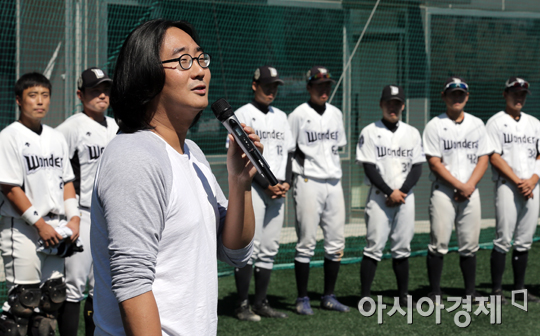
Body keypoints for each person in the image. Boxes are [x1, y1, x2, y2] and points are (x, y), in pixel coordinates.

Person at [90, 19, 257, 335]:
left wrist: (240, 181)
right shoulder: (134, 154)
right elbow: (132, 283)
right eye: (183, 60)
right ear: (146, 76)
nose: (199, 71)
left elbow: (236, 253)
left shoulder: (192, 152)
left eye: (200, 58)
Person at [0, 73, 80, 336]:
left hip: (55, 229)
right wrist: (40, 224)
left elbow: (68, 181)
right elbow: (10, 188)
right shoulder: (9, 136)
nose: (40, 101)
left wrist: (74, 218)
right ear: (19, 101)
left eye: (45, 95)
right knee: (24, 301)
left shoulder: (56, 137)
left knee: (51, 300)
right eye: (32, 95)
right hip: (23, 228)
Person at [56, 67, 118, 336]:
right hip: (81, 214)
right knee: (74, 285)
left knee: (100, 286)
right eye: (95, 90)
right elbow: (57, 173)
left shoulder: (117, 126)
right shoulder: (70, 128)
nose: (102, 95)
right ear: (80, 94)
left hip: (110, 214)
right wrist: (68, 215)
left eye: (105, 89)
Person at [232, 66, 294, 321]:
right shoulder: (242, 114)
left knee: (269, 247)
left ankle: (260, 302)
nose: (272, 90)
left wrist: (286, 182)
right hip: (254, 188)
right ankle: (242, 304)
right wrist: (265, 184)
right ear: (254, 85)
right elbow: (240, 155)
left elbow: (288, 152)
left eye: (275, 86)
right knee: (251, 246)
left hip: (277, 189)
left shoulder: (281, 115)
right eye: (267, 85)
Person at [423, 77, 492, 302]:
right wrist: (459, 185)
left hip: (471, 190)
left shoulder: (477, 124)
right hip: (444, 190)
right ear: (443, 96)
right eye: (452, 93)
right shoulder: (434, 125)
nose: (457, 97)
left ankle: (470, 292)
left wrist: (469, 186)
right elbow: (434, 162)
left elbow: (484, 158)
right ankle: (435, 292)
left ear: (467, 97)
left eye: (461, 94)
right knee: (439, 242)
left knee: (470, 243)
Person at [356, 85, 425, 310]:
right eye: (388, 102)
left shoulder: (412, 132)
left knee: (402, 247)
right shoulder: (369, 131)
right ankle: (365, 296)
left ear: (402, 105)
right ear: (381, 104)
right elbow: (369, 168)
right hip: (379, 197)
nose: (392, 107)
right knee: (374, 246)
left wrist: (401, 192)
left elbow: (417, 167)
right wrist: (389, 192)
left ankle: (403, 296)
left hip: (405, 197)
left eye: (396, 103)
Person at [288, 66, 349, 315]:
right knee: (306, 242)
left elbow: (339, 146)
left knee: (336, 242)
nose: (324, 89)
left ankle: (328, 296)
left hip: (334, 181)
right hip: (307, 180)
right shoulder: (298, 115)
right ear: (309, 87)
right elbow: (290, 150)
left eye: (327, 85)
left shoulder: (336, 113)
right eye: (319, 85)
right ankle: (302, 298)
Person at [486, 77, 540, 304]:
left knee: (525, 239)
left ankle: (519, 291)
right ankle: (496, 292)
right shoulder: (495, 122)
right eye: (514, 93)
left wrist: (534, 178)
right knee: (503, 238)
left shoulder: (535, 123)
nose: (519, 97)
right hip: (508, 185)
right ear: (505, 94)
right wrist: (519, 181)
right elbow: (493, 155)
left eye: (522, 94)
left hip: (532, 186)